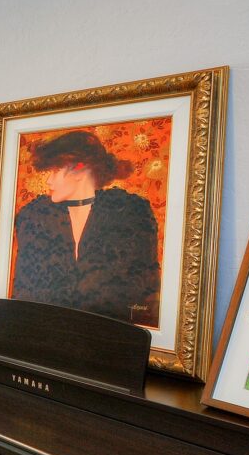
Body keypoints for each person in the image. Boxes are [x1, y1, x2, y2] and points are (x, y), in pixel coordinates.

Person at [10, 129, 160, 326]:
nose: (49, 181)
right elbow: (23, 297)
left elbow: (145, 296)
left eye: (56, 171)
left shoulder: (131, 214)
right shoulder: (34, 218)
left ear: (80, 168)